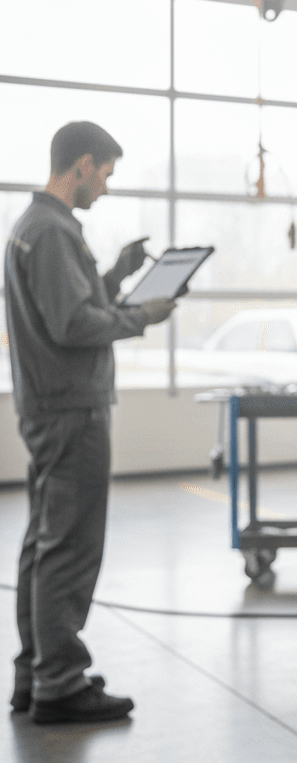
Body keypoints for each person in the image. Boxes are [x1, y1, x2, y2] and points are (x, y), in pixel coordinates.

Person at [5, 122, 176, 725]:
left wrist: (118, 276)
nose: (104, 187)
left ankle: (35, 674)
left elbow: (70, 304)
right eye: (103, 174)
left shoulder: (34, 228)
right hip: (71, 410)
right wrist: (143, 315)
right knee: (70, 547)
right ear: (81, 166)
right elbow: (74, 325)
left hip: (49, 406)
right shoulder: (52, 231)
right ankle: (60, 684)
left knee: (43, 543)